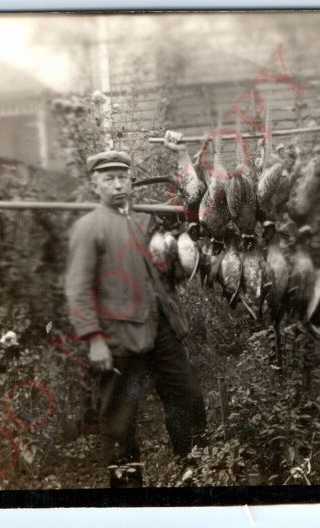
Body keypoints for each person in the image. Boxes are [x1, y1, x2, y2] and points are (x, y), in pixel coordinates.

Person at [64, 139, 207, 488]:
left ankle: (193, 470)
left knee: (187, 397)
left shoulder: (147, 221)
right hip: (119, 338)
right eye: (109, 178)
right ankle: (128, 491)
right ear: (94, 184)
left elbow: (191, 208)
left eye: (123, 178)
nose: (117, 184)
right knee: (120, 417)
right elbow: (77, 288)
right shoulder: (89, 228)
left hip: (162, 329)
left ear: (131, 181)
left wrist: (182, 157)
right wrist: (94, 338)